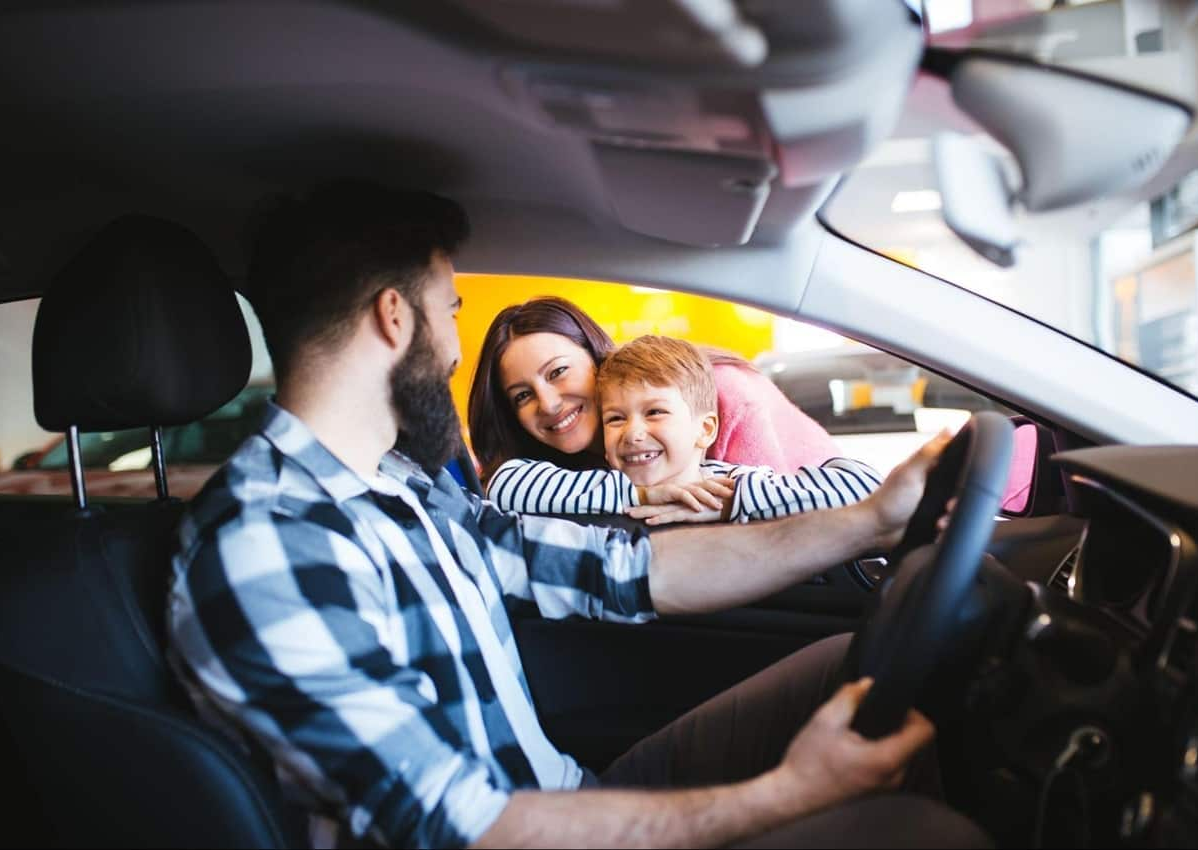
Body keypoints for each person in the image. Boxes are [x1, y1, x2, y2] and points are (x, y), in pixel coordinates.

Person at [167, 179, 986, 849]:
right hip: (520, 835)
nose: (455, 350)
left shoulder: (404, 489)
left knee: (849, 665)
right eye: (450, 311)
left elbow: (625, 571)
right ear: (394, 317)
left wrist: (874, 518)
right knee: (917, 834)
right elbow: (463, 829)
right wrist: (787, 795)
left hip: (569, 793)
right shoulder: (267, 541)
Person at [488, 335, 883, 525]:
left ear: (705, 429)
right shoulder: (597, 490)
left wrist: (730, 503)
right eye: (615, 419)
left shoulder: (730, 482)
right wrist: (641, 493)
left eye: (655, 412)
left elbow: (863, 485)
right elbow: (506, 483)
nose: (633, 433)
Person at [467, 296, 849, 485]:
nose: (548, 403)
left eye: (558, 372)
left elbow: (786, 522)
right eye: (522, 395)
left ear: (596, 354)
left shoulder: (721, 391)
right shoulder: (548, 480)